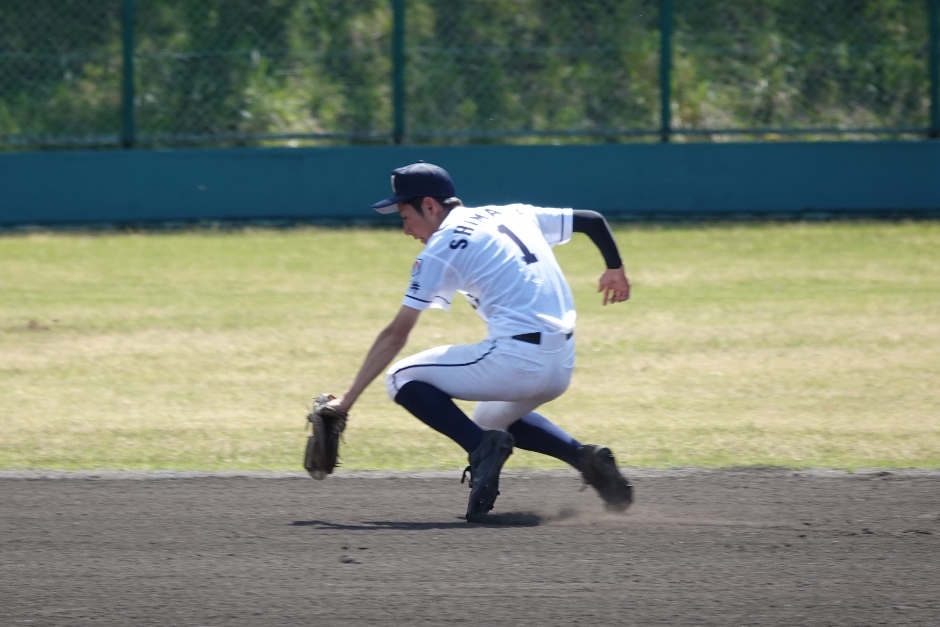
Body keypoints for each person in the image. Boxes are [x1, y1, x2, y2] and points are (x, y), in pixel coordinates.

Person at [324, 161, 633, 521]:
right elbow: (592, 220)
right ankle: (584, 459)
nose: (406, 230)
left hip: (517, 360)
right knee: (488, 417)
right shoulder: (512, 213)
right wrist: (615, 268)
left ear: (429, 206)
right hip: (561, 363)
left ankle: (480, 448)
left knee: (400, 377)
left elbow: (396, 335)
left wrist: (346, 402)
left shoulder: (442, 246)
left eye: (405, 216)